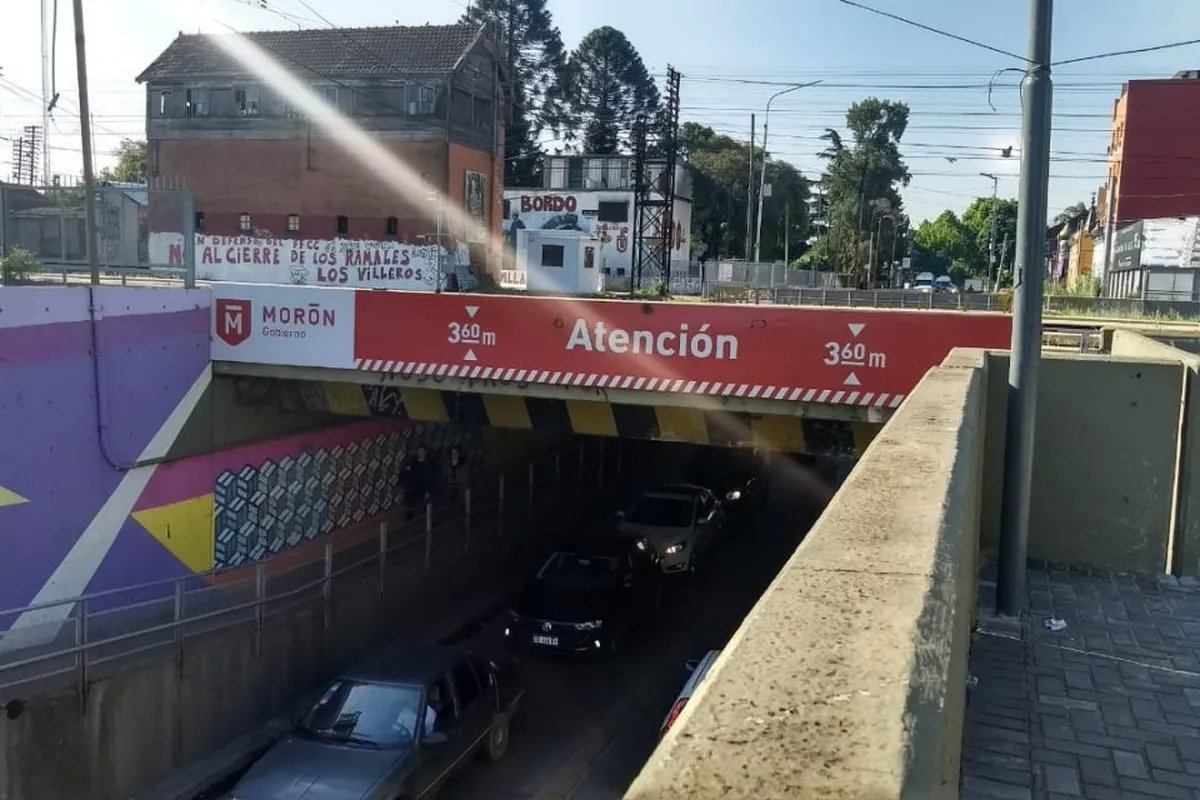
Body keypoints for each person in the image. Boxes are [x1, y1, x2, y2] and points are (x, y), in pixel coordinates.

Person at [403, 445, 439, 521]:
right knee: (410, 496)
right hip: (416, 488)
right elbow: (410, 476)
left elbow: (433, 478)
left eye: (422, 452)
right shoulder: (414, 464)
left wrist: (429, 490)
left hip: (426, 488)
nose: (421, 453)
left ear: (425, 452)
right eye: (419, 452)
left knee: (426, 502)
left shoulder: (430, 464)